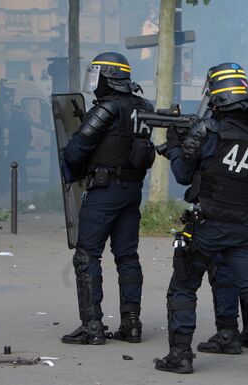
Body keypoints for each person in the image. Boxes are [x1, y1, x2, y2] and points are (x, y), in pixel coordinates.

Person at [154, 72, 248, 375]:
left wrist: (176, 145)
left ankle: (180, 355)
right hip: (243, 227)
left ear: (218, 98)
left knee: (184, 287)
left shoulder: (207, 129)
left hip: (207, 225)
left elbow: (182, 175)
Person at [60, 52, 154, 345]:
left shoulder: (107, 109)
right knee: (127, 257)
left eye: (97, 75)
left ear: (108, 78)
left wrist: (71, 171)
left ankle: (92, 327)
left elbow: (77, 149)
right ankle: (132, 324)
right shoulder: (143, 106)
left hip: (105, 190)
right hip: (131, 191)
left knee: (87, 256)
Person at [6, 103, 33, 191]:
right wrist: (25, 145)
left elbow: (13, 134)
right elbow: (29, 136)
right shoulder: (23, 120)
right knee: (21, 167)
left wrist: (15, 144)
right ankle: (23, 187)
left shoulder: (15, 120)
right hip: (20, 147)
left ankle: (6, 186)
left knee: (8, 165)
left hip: (16, 147)